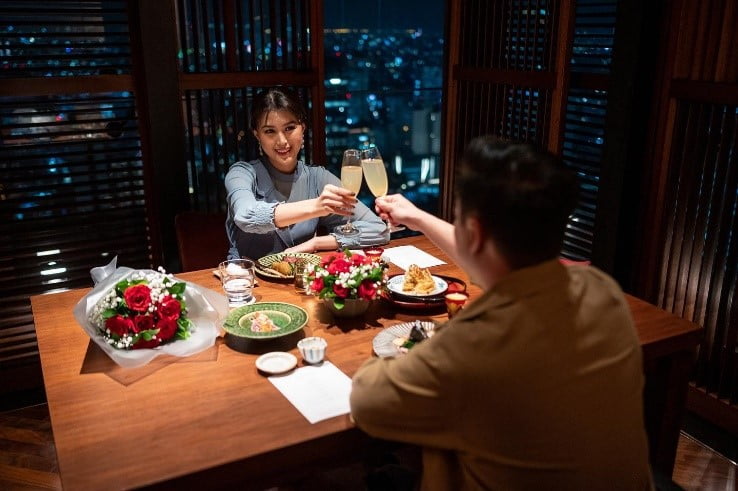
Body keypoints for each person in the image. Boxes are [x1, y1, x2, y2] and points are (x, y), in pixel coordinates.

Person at [350, 136, 654, 490]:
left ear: (475, 233)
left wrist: (406, 351)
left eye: (459, 217)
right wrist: (419, 217)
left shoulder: (473, 347)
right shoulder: (602, 290)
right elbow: (487, 257)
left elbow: (367, 402)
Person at [224, 87, 389, 259]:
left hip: (301, 281)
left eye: (289, 128)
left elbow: (378, 230)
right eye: (269, 131)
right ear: (257, 135)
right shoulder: (241, 174)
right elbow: (246, 216)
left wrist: (315, 243)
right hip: (247, 280)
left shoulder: (317, 178)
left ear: (302, 129)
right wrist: (318, 206)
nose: (282, 141)